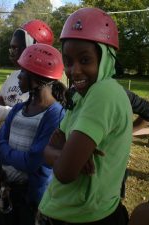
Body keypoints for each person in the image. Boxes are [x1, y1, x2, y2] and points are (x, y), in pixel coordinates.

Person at [37, 7, 132, 225]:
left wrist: (61, 155)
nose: (74, 70)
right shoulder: (80, 96)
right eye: (68, 61)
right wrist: (60, 152)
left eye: (85, 60)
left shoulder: (103, 92)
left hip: (81, 217)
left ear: (106, 57)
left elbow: (64, 172)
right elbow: (50, 148)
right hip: (73, 211)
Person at [0, 43, 66, 225]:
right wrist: (11, 154)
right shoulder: (18, 108)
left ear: (36, 79)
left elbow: (32, 162)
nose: (18, 77)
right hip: (8, 189)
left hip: (31, 199)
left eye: (23, 72)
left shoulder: (55, 113)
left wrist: (5, 152)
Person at [0, 19, 55, 122]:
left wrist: (5, 109)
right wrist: (9, 111)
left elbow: (31, 115)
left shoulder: (43, 84)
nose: (11, 53)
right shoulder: (14, 75)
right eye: (11, 48)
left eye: (15, 48)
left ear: (32, 48)